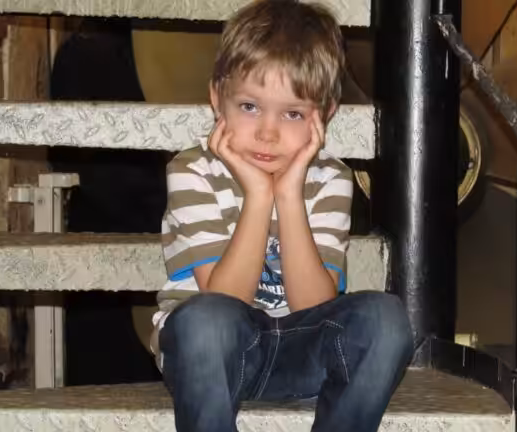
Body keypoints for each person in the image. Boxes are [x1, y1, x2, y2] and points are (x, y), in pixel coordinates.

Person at [149, 1, 414, 431]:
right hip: (213, 358)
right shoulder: (193, 171)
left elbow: (315, 306)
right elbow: (225, 299)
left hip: (300, 353)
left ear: (324, 116)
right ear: (217, 98)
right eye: (249, 106)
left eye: (292, 113)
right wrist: (258, 194)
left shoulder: (330, 179)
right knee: (205, 321)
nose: (267, 133)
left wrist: (289, 194)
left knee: (386, 319)